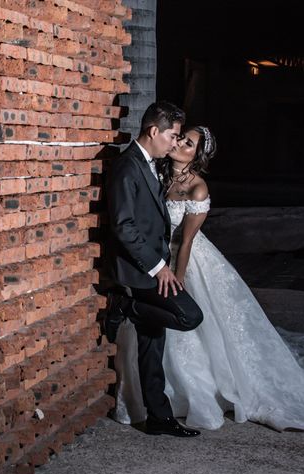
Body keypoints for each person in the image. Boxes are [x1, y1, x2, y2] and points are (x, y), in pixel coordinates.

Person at [113, 126, 304, 431]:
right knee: (158, 328)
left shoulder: (197, 188)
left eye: (188, 144)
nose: (180, 143)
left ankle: (192, 390)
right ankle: (157, 395)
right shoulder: (157, 172)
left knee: (190, 318)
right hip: (156, 259)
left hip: (186, 260)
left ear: (196, 156)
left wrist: (178, 278)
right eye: (180, 137)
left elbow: (185, 242)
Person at [105, 101, 204, 437]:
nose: (174, 143)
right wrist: (160, 267)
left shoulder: (149, 163)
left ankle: (158, 417)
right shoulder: (128, 166)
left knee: (153, 342)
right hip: (139, 271)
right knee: (189, 316)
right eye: (172, 136)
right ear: (153, 131)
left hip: (151, 268)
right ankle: (124, 306)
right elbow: (123, 225)